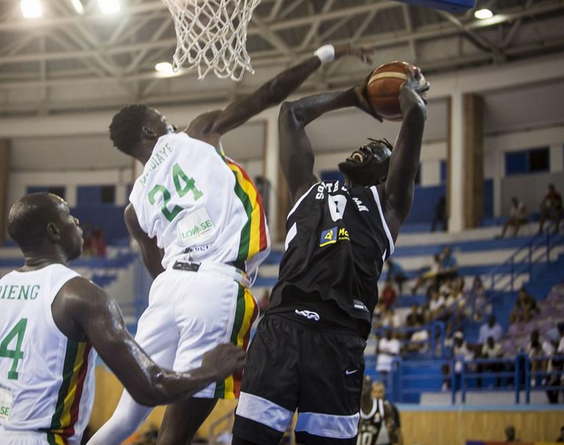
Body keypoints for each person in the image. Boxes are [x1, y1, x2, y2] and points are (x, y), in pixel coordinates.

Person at [91, 44, 374, 445]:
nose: (170, 123)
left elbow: (156, 269)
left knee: (123, 420)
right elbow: (270, 93)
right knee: (180, 427)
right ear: (150, 131)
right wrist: (327, 54)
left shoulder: (133, 208)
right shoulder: (196, 133)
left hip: (167, 291)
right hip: (214, 285)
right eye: (162, 120)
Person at [232, 63, 429, 445]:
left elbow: (416, 114)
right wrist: (352, 96)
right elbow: (290, 114)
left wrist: (409, 90)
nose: (365, 147)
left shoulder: (389, 204)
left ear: (390, 172)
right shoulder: (309, 190)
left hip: (338, 342)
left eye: (378, 148)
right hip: (281, 331)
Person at [0, 193, 246, 445]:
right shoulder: (81, 295)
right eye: (69, 216)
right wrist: (208, 371)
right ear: (53, 231)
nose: (77, 222)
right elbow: (149, 386)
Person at [358, 376, 399, 445]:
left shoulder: (385, 408)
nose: (364, 388)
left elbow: (395, 439)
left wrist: (391, 431)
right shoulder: (353, 408)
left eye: (366, 385)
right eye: (362, 385)